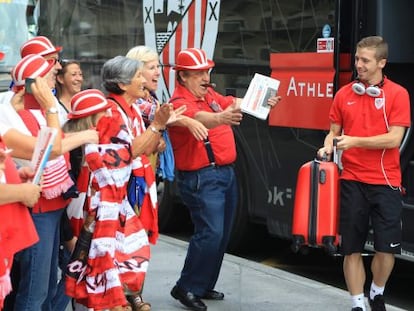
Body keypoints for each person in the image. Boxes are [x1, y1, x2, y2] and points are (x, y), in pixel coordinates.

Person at [167, 47, 280, 311]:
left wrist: (263, 100)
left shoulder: (209, 95)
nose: (206, 77)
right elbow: (199, 117)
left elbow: (235, 102)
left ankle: (203, 284)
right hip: (202, 177)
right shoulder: (179, 102)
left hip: (224, 174)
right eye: (198, 73)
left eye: (207, 71)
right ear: (183, 77)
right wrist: (220, 118)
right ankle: (186, 287)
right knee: (211, 232)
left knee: (221, 233)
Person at [317, 36, 411, 311]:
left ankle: (376, 291)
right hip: (351, 181)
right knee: (351, 248)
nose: (358, 64)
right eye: (357, 59)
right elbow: (333, 133)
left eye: (365, 60)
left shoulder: (398, 94)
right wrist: (327, 147)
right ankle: (358, 303)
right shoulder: (344, 94)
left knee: (386, 248)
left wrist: (355, 141)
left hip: (386, 181)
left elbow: (394, 139)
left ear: (382, 63)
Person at [0, 53, 98, 310]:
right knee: (34, 290)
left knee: (43, 286)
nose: (57, 70)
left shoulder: (32, 110)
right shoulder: (11, 112)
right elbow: (53, 148)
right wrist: (52, 106)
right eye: (50, 68)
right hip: (37, 208)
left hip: (51, 205)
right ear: (34, 83)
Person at [99, 55, 172, 310]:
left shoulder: (131, 109)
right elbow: (131, 151)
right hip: (114, 197)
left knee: (133, 247)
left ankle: (128, 295)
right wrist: (158, 125)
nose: (144, 80)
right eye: (138, 76)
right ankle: (116, 298)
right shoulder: (110, 112)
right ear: (121, 84)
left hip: (132, 190)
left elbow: (147, 146)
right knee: (114, 249)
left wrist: (158, 133)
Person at [125, 45, 208, 180]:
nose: (158, 72)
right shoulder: (134, 101)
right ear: (136, 73)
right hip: (134, 173)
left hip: (148, 170)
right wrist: (188, 121)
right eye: (152, 68)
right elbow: (161, 117)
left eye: (158, 67)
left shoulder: (151, 97)